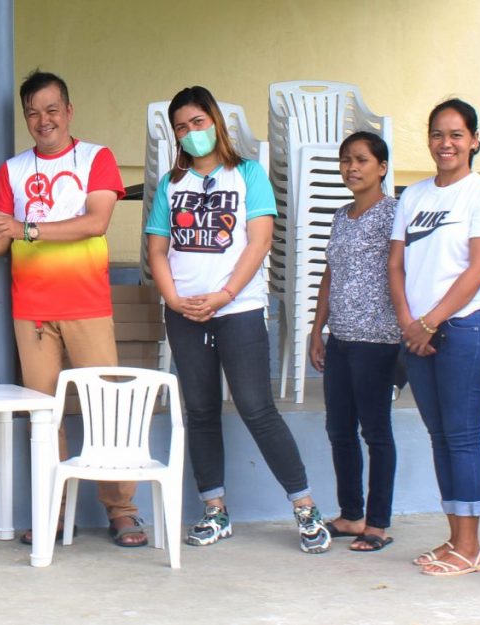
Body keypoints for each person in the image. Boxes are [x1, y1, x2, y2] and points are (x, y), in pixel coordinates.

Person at [0, 70, 146, 547]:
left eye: (52, 110)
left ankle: (122, 510)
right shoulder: (11, 170)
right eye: (33, 112)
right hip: (31, 311)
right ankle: (54, 512)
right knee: (43, 416)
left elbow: (95, 222)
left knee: (106, 408)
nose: (43, 119)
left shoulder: (97, 158)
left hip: (86, 304)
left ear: (69, 111)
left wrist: (26, 229)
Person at [145, 86, 331, 554]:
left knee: (257, 409)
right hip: (185, 315)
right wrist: (175, 300)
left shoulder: (248, 174)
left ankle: (306, 509)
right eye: (182, 127)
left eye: (199, 122)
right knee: (202, 412)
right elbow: (156, 250)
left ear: (216, 123)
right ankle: (215, 512)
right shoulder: (171, 185)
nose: (192, 133)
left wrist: (225, 294)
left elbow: (259, 241)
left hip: (239, 311)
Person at [387, 98, 480, 575]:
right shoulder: (413, 196)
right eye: (438, 134)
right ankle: (455, 537)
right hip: (418, 331)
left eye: (457, 134)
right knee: (440, 437)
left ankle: (472, 546)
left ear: (474, 140)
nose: (446, 143)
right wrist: (407, 322)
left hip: (463, 328)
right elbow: (396, 264)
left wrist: (431, 321)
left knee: (461, 437)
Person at [309, 131, 400, 552]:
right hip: (341, 337)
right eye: (346, 160)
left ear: (381, 167)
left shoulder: (395, 214)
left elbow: (405, 272)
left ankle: (377, 524)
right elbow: (330, 274)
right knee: (339, 429)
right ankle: (351, 515)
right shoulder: (340, 216)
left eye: (362, 160)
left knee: (376, 432)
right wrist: (317, 329)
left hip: (378, 340)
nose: (352, 168)